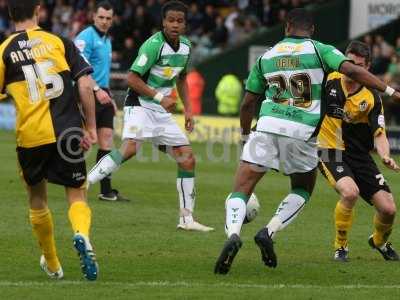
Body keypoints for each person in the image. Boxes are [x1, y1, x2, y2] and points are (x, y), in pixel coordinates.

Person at [214, 8, 400, 274]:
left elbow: (248, 103)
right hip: (301, 132)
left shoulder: (266, 56)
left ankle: (232, 234)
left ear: (286, 27)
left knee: (241, 187)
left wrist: (246, 135)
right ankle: (270, 230)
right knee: (302, 188)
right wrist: (392, 90)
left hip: (266, 126)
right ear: (311, 30)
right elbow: (352, 71)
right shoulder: (320, 50)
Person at [87, 1, 213, 232]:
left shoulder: (185, 47)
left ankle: (186, 219)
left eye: (180, 21)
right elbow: (132, 78)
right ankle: (82, 185)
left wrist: (188, 109)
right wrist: (159, 98)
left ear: (185, 24)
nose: (175, 24)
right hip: (140, 104)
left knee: (187, 158)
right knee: (130, 148)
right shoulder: (153, 45)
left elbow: (182, 78)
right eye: (171, 20)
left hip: (161, 110)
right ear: (163, 22)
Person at [1, 0, 98, 280]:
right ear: (38, 10)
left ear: (10, 14)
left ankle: (54, 264)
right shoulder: (60, 42)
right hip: (67, 131)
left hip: (30, 136)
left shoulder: (4, 51)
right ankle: (81, 235)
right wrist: (90, 125)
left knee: (37, 199)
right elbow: (84, 83)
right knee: (77, 192)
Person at [318, 41, 399, 262]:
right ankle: (341, 246)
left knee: (389, 209)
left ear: (368, 68)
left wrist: (384, 155)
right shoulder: (329, 79)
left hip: (359, 155)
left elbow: (379, 133)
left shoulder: (372, 97)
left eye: (359, 65)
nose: (352, 68)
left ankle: (379, 242)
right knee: (350, 192)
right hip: (328, 150)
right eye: (349, 62)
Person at [75, 1, 128, 201]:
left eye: (108, 18)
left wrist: (108, 95)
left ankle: (106, 191)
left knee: (106, 139)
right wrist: (97, 90)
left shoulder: (107, 39)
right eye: (101, 17)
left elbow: (101, 72)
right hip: (87, 91)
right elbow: (79, 66)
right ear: (94, 17)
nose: (105, 21)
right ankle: (73, 181)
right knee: (82, 141)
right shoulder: (85, 37)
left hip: (103, 93)